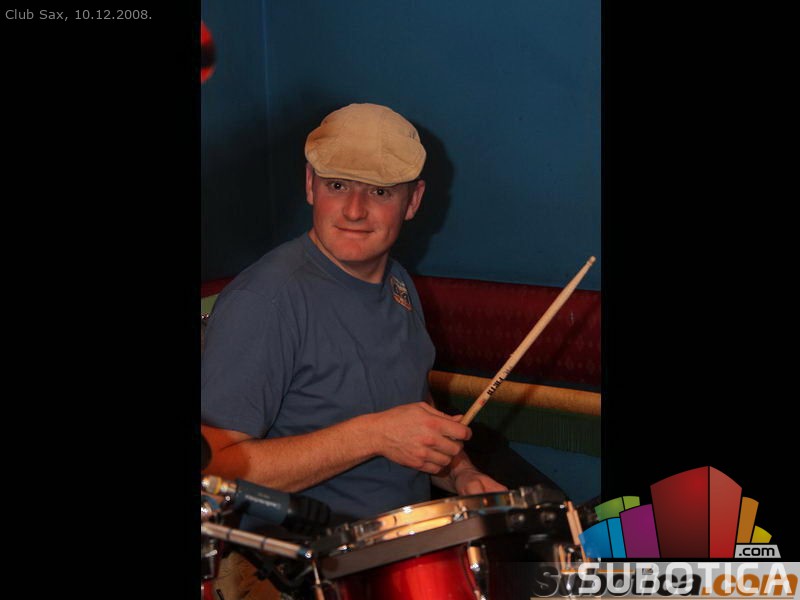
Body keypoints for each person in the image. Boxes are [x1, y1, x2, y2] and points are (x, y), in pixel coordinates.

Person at [202, 105, 506, 581]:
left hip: (408, 550)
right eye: (338, 185)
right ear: (310, 185)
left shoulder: (399, 284)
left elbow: (411, 409)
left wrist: (460, 473)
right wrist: (373, 435)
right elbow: (213, 471)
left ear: (413, 201)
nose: (354, 210)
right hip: (307, 571)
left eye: (380, 191)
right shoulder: (266, 301)